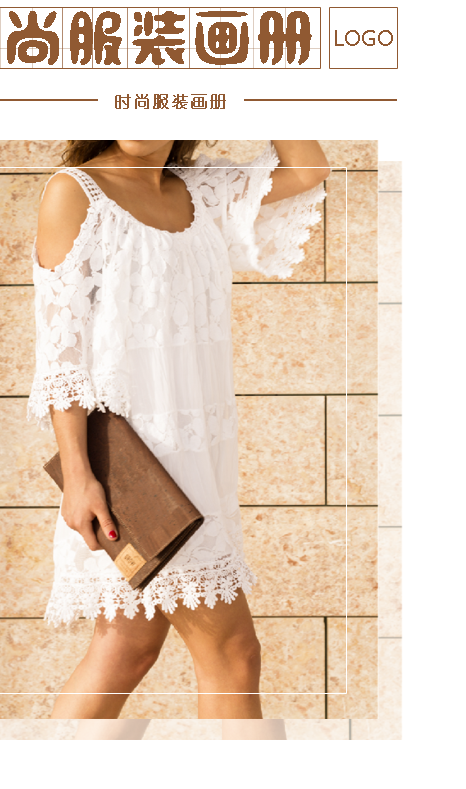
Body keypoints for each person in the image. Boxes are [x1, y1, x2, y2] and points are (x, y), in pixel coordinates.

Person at [27, 139, 330, 740]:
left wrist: (251, 80)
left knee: (125, 649)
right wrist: (79, 478)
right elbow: (62, 355)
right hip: (137, 475)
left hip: (199, 463)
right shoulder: (75, 192)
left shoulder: (201, 189)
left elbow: (307, 167)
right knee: (233, 652)